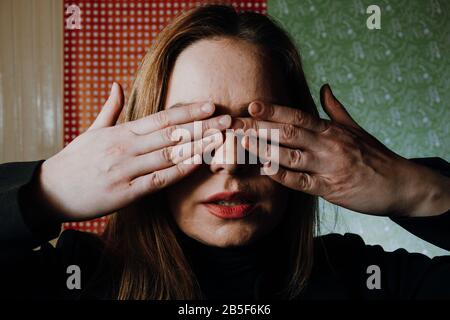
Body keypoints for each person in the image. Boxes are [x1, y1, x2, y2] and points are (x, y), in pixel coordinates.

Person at [1, 5, 449, 300]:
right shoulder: (71, 280)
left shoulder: (364, 280)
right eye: (195, 130)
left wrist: (417, 190)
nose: (230, 162)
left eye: (260, 130)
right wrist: (41, 193)